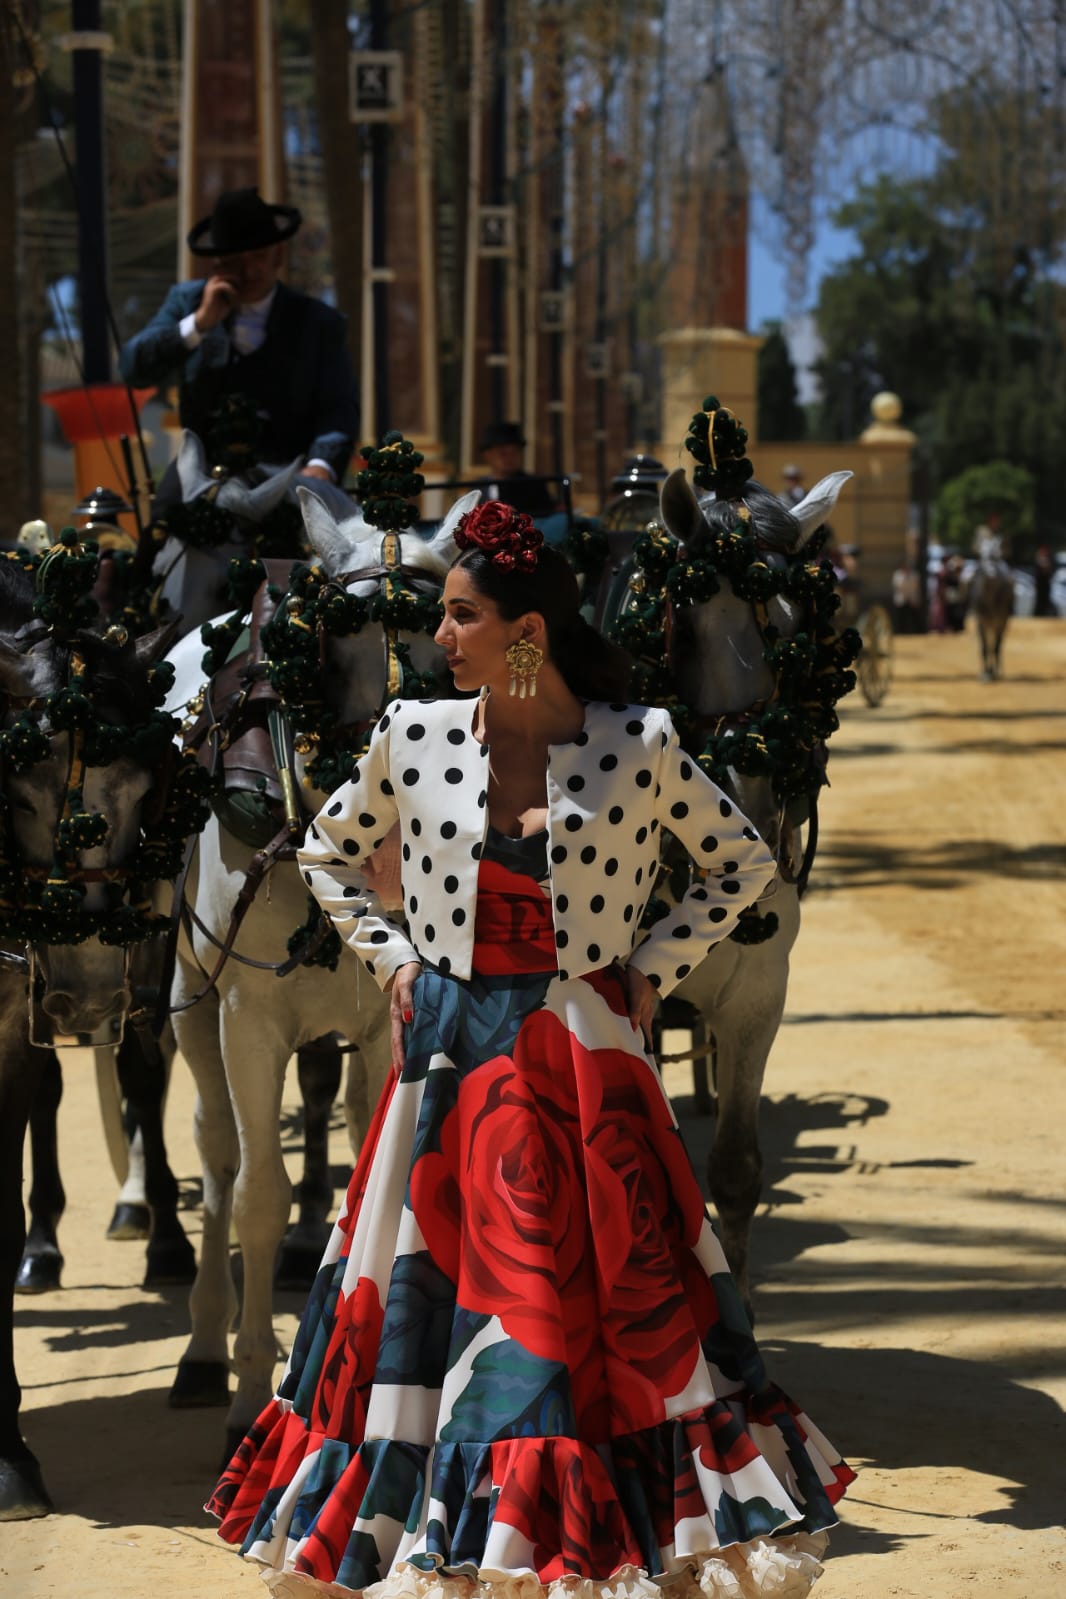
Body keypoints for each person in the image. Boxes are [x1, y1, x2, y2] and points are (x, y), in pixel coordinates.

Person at [207, 501, 854, 1599]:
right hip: (451, 1060)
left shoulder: (638, 741)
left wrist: (650, 969)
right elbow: (325, 857)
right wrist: (397, 962)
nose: (438, 639)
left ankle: (591, 1527)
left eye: (459, 617)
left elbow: (739, 868)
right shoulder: (409, 734)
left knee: (602, 1302)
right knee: (448, 1295)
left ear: (526, 634)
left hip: (589, 1055)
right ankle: (449, 1528)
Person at [119, 187, 359, 484]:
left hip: (290, 478)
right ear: (217, 264)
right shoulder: (187, 302)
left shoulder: (319, 322)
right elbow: (132, 368)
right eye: (234, 260)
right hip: (203, 479)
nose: (248, 270)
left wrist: (321, 465)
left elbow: (339, 409)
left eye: (258, 256)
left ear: (278, 255)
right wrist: (200, 323)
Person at [477, 419, 557, 516]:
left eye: (514, 453)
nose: (509, 458)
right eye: (503, 453)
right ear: (487, 455)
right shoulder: (478, 487)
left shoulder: (534, 486)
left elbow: (544, 518)